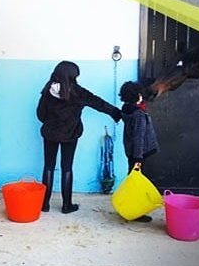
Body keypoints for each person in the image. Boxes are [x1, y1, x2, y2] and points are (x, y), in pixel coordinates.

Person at [36, 60, 121, 214]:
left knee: (48, 166)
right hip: (71, 134)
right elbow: (98, 103)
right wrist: (116, 113)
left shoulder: (47, 90)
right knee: (67, 168)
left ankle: (44, 205)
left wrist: (50, 122)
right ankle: (67, 206)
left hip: (50, 133)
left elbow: (40, 114)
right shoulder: (78, 92)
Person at [119, 81, 159, 223]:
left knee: (132, 180)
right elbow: (139, 137)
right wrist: (138, 159)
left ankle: (129, 207)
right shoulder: (138, 115)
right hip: (139, 154)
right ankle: (135, 212)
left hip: (131, 152)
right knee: (137, 184)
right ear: (138, 95)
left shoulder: (126, 110)